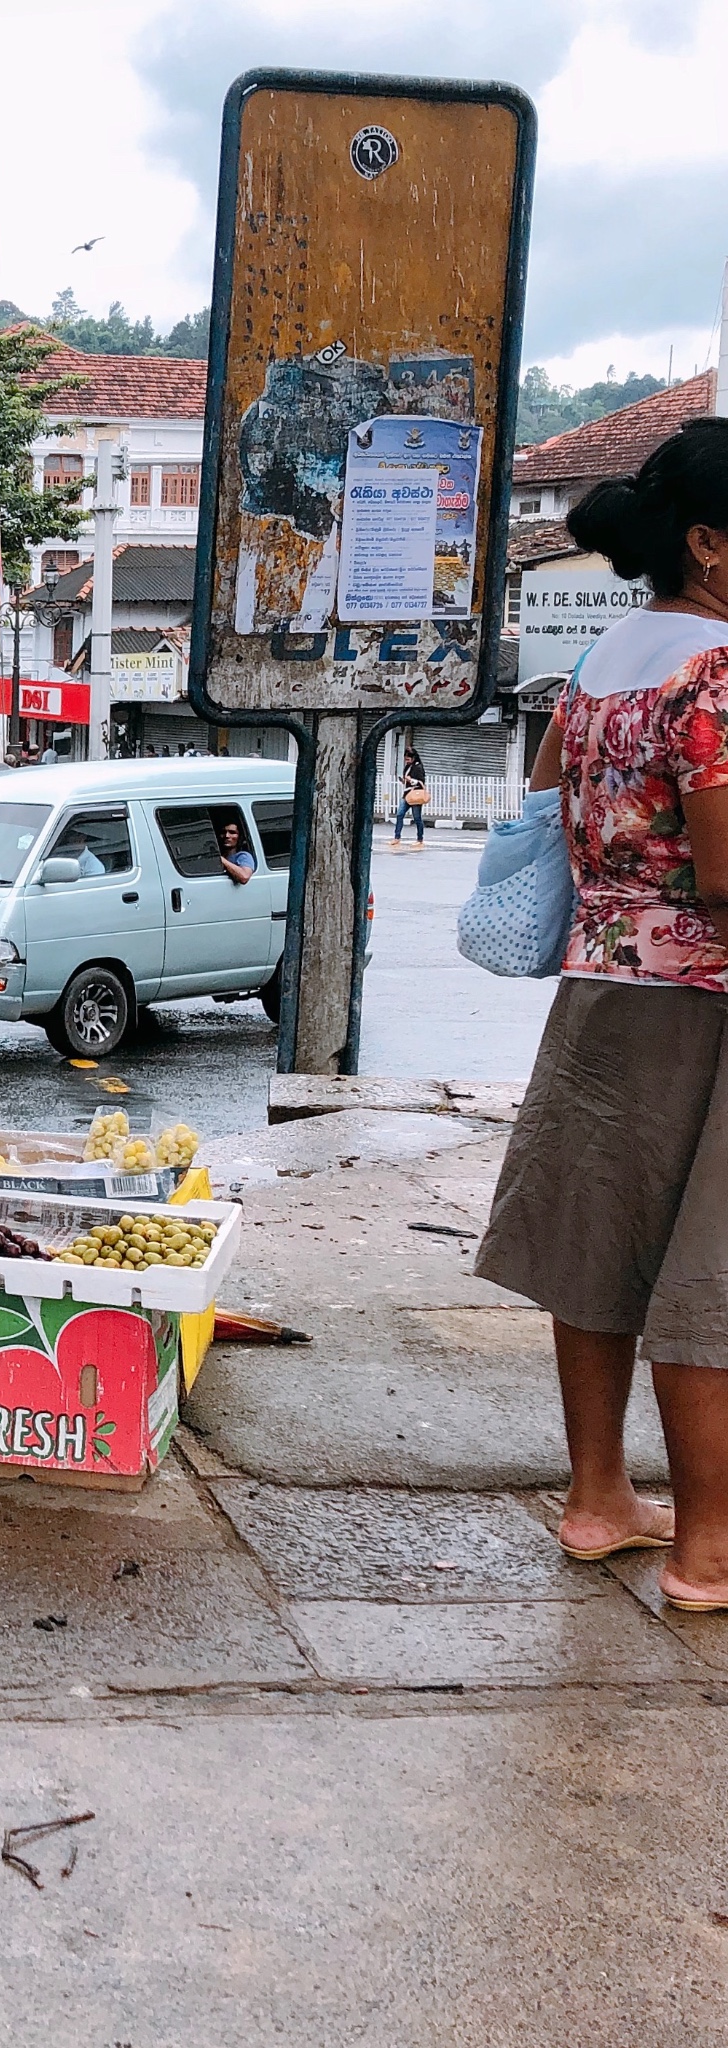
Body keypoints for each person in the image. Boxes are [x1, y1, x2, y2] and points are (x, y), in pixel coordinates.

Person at [475, 418, 728, 1609]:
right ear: (709, 545)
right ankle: (706, 1550)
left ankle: (598, 1499)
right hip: (703, 994)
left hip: (598, 984)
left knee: (596, 1251)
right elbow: (722, 866)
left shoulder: (599, 659)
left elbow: (542, 807)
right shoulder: (718, 669)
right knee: (705, 1270)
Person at [393, 748, 428, 847]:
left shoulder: (418, 767)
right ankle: (397, 837)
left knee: (417, 817)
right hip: (407, 794)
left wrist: (411, 780)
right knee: (400, 814)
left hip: (415, 795)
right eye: (406, 759)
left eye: (408, 759)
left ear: (413, 758)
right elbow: (406, 781)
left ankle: (420, 838)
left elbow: (421, 782)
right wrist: (404, 780)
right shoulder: (407, 767)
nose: (407, 761)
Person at [217, 817, 258, 885]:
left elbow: (244, 877)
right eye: (223, 832)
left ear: (240, 837)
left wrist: (221, 860)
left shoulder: (244, 856)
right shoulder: (223, 855)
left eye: (232, 832)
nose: (227, 836)